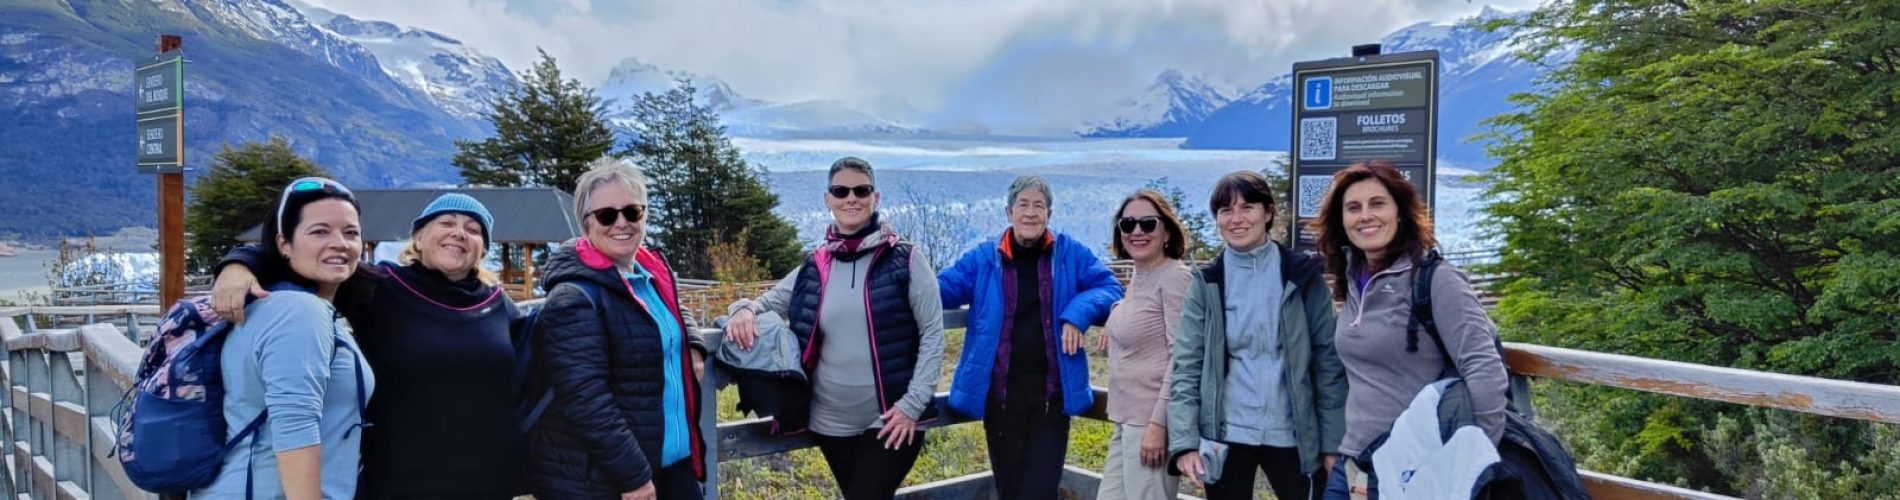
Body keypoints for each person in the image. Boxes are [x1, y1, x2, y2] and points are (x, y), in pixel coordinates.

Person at [211, 193, 523, 499]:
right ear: (418, 238)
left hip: (489, 480)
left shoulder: (499, 306)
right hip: (396, 481)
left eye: (473, 229)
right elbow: (306, 256)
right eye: (447, 223)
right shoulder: (378, 285)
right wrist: (236, 265)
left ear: (482, 249)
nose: (459, 233)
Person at [723, 157, 946, 500]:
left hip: (891, 418)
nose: (851, 198)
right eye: (841, 191)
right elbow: (766, 302)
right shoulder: (817, 264)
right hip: (830, 422)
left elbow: (933, 334)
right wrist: (741, 309)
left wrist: (912, 406)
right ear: (828, 200)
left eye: (861, 190)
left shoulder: (907, 260)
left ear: (876, 198)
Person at [1315, 161, 1508, 500]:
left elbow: (1484, 369)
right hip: (1355, 464)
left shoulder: (1437, 280)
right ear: (1341, 221)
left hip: (1415, 470)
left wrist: (1468, 470)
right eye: (1353, 207)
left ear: (1401, 212)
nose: (1365, 216)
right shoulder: (1354, 281)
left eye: (1378, 203)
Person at [527, 157, 708, 500]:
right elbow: (585, 400)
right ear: (586, 224)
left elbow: (670, 309)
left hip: (670, 465)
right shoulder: (573, 297)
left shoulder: (647, 277)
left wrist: (693, 343)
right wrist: (634, 479)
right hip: (611, 480)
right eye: (607, 215)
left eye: (632, 212)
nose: (621, 223)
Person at [937, 175, 1124, 500]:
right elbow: (940, 290)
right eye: (1023, 204)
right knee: (1010, 490)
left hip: (1052, 399)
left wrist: (1077, 314)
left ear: (1049, 214)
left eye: (1039, 205)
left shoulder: (1070, 254)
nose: (1031, 212)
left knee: (1040, 490)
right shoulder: (984, 258)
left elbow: (1109, 288)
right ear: (1008, 212)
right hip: (1001, 399)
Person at [193, 177, 375, 500]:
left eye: (351, 233)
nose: (340, 243)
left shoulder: (280, 304)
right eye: (320, 231)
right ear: (283, 244)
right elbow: (294, 426)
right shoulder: (299, 313)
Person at [1168, 170, 1345, 500]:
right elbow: (1187, 366)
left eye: (1247, 207)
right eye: (1225, 210)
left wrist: (1333, 441)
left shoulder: (1302, 276)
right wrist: (1185, 442)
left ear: (1268, 213)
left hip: (1294, 434)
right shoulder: (1208, 283)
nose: (1236, 219)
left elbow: (1328, 364)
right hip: (1226, 434)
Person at [1095, 189, 1192, 500]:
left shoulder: (1175, 277)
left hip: (1150, 424)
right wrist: (1114, 315)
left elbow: (1183, 358)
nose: (1137, 231)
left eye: (1148, 224)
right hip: (1128, 421)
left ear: (1166, 232)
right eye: (1128, 225)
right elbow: (1141, 311)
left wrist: (1158, 426)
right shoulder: (1141, 276)